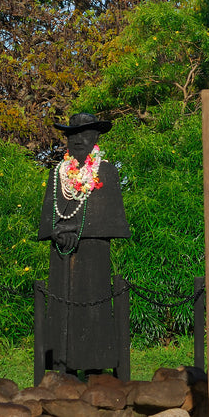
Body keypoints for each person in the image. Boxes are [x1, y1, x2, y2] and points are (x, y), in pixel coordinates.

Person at [38, 113, 130, 375]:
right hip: (61, 253)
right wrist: (56, 231)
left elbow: (109, 216)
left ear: (96, 138)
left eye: (85, 134)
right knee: (60, 303)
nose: (78, 140)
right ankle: (59, 366)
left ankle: (95, 367)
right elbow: (50, 213)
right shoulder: (59, 173)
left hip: (93, 254)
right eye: (72, 135)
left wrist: (77, 231)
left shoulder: (106, 171)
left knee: (93, 304)